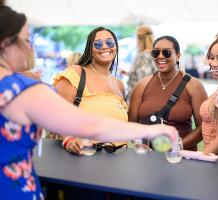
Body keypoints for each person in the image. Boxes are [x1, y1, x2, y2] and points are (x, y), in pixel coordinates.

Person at [0, 5, 178, 199]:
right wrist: (151, 131)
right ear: (5, 43)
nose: (30, 47)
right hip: (16, 188)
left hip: (116, 167)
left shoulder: (119, 84)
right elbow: (88, 125)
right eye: (27, 39)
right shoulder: (21, 88)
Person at [46, 27, 130, 155]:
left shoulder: (119, 85)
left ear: (116, 47)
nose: (104, 46)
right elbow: (53, 114)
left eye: (109, 42)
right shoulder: (76, 73)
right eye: (97, 44)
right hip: (81, 159)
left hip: (117, 162)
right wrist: (68, 139)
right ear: (89, 49)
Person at [129, 35, 207, 151]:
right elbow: (131, 125)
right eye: (156, 53)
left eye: (166, 52)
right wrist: (139, 143)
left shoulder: (194, 86)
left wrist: (176, 147)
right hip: (148, 158)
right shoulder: (141, 86)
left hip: (181, 157)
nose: (160, 56)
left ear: (178, 56)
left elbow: (204, 127)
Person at [126, 25, 157, 101]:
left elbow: (143, 82)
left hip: (139, 102)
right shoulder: (155, 54)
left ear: (139, 39)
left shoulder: (143, 56)